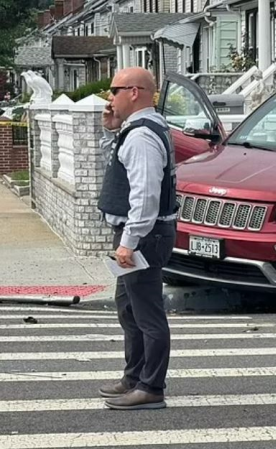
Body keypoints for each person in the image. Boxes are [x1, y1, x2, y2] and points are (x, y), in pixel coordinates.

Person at [97, 67, 177, 410]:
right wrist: (110, 130)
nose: (108, 98)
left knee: (147, 313)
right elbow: (119, 168)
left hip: (144, 234)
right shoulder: (138, 129)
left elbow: (144, 196)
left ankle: (151, 386)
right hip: (143, 233)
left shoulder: (143, 135)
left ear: (134, 92)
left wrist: (129, 241)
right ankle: (135, 376)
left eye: (114, 90)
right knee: (129, 308)